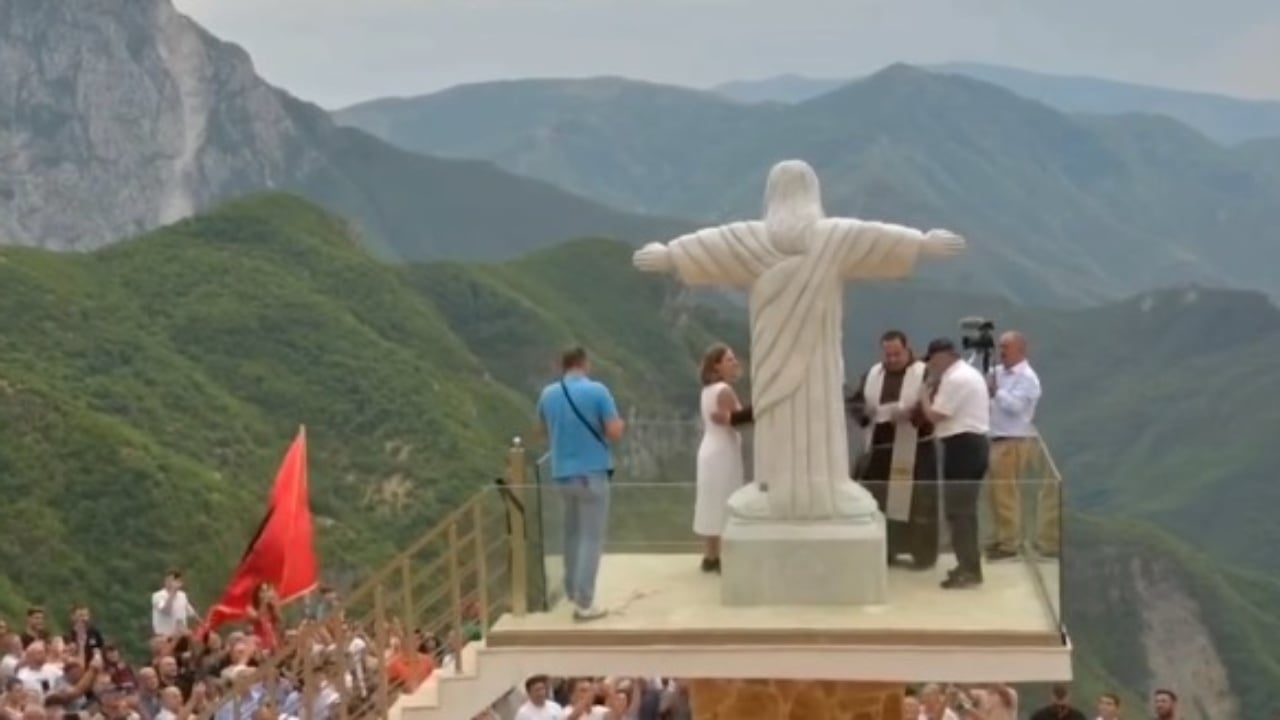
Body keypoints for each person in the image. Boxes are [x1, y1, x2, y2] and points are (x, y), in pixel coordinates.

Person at [537, 347, 625, 622]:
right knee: (591, 538)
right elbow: (614, 431)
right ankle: (585, 603)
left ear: (562, 366)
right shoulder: (598, 391)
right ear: (584, 363)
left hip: (562, 474)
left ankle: (572, 591)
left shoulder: (548, 394)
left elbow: (542, 431)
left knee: (572, 533)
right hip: (591, 474)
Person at [847, 330, 940, 570]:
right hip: (880, 448)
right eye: (888, 355)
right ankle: (886, 550)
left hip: (916, 447)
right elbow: (855, 401)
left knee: (919, 502)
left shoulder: (924, 373)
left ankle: (922, 555)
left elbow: (935, 403)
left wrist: (912, 414)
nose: (892, 359)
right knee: (882, 501)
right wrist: (864, 412)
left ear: (908, 349)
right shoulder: (873, 374)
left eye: (897, 354)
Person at [919, 338, 991, 589]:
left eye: (932, 361)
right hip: (969, 446)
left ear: (942, 356)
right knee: (963, 511)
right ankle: (967, 564)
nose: (932, 366)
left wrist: (924, 395)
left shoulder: (956, 379)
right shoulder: (967, 374)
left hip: (963, 448)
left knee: (959, 511)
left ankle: (969, 570)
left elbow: (935, 415)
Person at [985, 330, 1045, 561]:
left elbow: (1016, 407)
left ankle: (1010, 544)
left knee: (1006, 494)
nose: (1002, 352)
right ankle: (1000, 537)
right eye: (1000, 347)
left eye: (1006, 347)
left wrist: (997, 392)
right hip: (996, 438)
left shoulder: (1028, 378)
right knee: (995, 494)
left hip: (1013, 440)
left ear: (1020, 350)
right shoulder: (998, 372)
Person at [693, 344, 750, 573]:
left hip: (709, 449)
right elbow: (732, 421)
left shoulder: (707, 390)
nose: (734, 363)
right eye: (729, 360)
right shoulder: (724, 390)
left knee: (711, 501)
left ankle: (711, 555)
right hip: (723, 451)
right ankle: (726, 556)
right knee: (726, 499)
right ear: (716, 366)